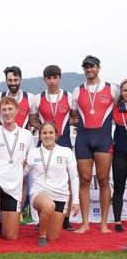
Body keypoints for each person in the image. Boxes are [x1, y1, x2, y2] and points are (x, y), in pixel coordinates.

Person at [0, 97, 35, 247]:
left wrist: (27, 163)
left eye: (10, 109)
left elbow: (33, 158)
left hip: (14, 186)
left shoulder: (27, 135)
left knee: (11, 237)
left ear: (17, 111)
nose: (7, 112)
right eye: (4, 110)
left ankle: (3, 225)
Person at [72, 55, 119, 234]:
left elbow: (118, 107)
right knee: (84, 181)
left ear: (98, 68)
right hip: (83, 140)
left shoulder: (111, 89)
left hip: (103, 140)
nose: (89, 70)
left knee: (104, 180)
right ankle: (84, 223)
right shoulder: (77, 91)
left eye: (92, 67)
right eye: (86, 67)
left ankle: (104, 223)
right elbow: (74, 114)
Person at [31, 65, 75, 231]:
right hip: (45, 140)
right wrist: (43, 129)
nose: (52, 81)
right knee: (42, 178)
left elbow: (74, 116)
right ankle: (41, 217)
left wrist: (66, 125)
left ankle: (65, 218)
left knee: (67, 180)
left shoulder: (69, 97)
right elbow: (33, 119)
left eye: (55, 77)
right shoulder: (38, 98)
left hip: (63, 140)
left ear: (60, 78)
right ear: (45, 80)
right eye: (49, 78)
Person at [24, 122, 80, 246]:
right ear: (39, 136)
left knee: (53, 237)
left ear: (56, 135)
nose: (47, 136)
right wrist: (18, 164)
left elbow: (74, 177)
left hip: (60, 196)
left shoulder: (66, 152)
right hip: (39, 193)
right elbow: (23, 173)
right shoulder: (33, 152)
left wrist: (75, 201)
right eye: (44, 133)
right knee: (48, 206)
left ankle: (45, 224)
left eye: (50, 133)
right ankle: (42, 236)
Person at [112, 79, 127, 232]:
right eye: (125, 90)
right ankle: (117, 221)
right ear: (121, 93)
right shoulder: (116, 109)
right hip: (120, 154)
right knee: (119, 187)